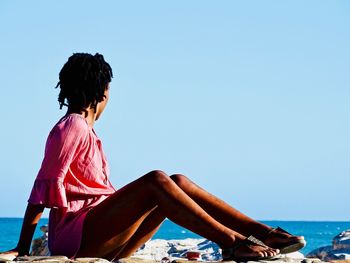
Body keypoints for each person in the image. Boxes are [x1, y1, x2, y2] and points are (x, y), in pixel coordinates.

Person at [0, 53, 306, 261]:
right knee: (157, 180)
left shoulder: (85, 130)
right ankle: (232, 243)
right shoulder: (70, 127)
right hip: (77, 237)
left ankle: (262, 233)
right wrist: (23, 249)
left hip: (101, 235)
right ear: (102, 93)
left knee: (177, 182)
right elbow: (42, 189)